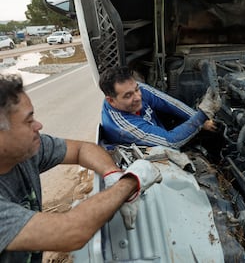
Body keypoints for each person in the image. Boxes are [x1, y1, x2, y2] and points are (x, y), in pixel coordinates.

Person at [0, 74, 162, 262]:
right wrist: (130, 182)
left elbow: (81, 149)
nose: (38, 125)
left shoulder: (27, 151)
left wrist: (113, 175)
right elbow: (70, 232)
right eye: (28, 121)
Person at [99, 66, 221, 148]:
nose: (137, 97)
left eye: (136, 89)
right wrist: (202, 115)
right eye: (128, 95)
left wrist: (202, 120)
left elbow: (169, 103)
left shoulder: (134, 88)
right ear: (111, 101)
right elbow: (170, 141)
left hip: (158, 129)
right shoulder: (123, 128)